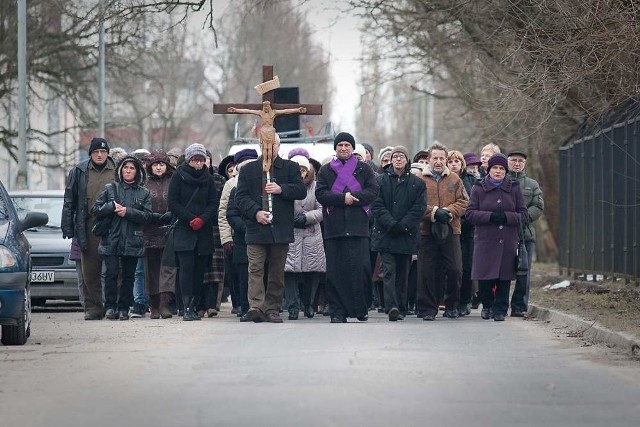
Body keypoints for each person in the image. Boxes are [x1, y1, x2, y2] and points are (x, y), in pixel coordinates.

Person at [235, 134, 306, 323]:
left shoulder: (290, 167)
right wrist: (256, 212)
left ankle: (272, 308)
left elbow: (301, 191)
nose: (269, 147)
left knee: (276, 271)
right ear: (259, 145)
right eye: (265, 143)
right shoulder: (248, 169)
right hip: (256, 228)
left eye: (272, 144)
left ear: (278, 146)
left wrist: (281, 189)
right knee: (255, 268)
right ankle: (256, 306)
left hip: (280, 229)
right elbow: (240, 198)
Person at [316, 132, 379, 323]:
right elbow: (321, 194)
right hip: (335, 229)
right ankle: (338, 311)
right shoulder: (326, 171)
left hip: (358, 227)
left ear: (352, 148)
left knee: (361, 270)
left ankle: (360, 309)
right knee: (336, 273)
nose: (344, 148)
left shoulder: (364, 170)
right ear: (335, 148)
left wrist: (354, 198)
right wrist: (343, 199)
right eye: (340, 145)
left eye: (347, 145)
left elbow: (372, 191)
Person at [466, 153, 527, 321]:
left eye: (501, 168)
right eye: (495, 168)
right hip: (485, 240)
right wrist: (490, 217)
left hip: (507, 239)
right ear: (489, 169)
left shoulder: (513, 187)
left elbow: (523, 214)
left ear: (505, 171)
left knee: (504, 277)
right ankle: (487, 305)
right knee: (485, 276)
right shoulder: (479, 187)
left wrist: (507, 217)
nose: (498, 171)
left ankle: (500, 309)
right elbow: (470, 214)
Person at [92, 155, 152, 320]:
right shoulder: (110, 188)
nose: (128, 171)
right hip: (111, 237)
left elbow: (147, 216)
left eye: (132, 168)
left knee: (128, 276)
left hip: (133, 239)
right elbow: (95, 209)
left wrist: (128, 212)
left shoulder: (144, 193)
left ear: (138, 172)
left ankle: (124, 308)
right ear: (120, 170)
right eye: (125, 167)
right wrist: (111, 206)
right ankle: (110, 307)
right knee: (110, 273)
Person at [62, 137, 116, 320]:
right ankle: (93, 308)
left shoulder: (118, 169)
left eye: (103, 151)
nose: (100, 155)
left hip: (113, 225)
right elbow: (69, 200)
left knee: (115, 270)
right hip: (88, 225)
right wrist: (68, 227)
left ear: (108, 153)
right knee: (90, 270)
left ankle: (112, 307)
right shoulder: (79, 171)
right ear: (91, 154)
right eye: (96, 152)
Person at [371, 146, 426, 321]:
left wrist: (403, 225)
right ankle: (392, 306)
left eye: (402, 156)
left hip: (407, 234)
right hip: (386, 233)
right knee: (388, 271)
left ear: (407, 160)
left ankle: (401, 306)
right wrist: (391, 224)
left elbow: (419, 208)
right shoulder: (380, 181)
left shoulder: (417, 183)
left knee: (403, 272)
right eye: (395, 156)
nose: (398, 159)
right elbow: (377, 206)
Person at [416, 142, 468, 321]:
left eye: (441, 158)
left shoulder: (455, 179)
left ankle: (452, 304)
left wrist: (448, 212)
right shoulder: (420, 180)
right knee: (427, 270)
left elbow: (464, 202)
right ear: (429, 160)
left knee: (455, 269)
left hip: (451, 230)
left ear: (446, 160)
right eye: (435, 158)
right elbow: (416, 205)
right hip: (426, 231)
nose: (438, 161)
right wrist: (434, 212)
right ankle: (428, 308)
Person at [168, 143, 220, 321]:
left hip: (203, 231)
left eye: (201, 159)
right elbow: (173, 203)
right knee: (186, 270)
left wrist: (203, 219)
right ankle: (186, 306)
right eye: (195, 159)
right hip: (185, 229)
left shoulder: (208, 178)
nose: (198, 163)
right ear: (189, 160)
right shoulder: (178, 176)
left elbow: (213, 203)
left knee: (199, 271)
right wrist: (190, 218)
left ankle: (195, 304)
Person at [283, 155, 326, 320]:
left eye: (303, 170)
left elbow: (322, 208)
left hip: (311, 234)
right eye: (297, 170)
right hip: (291, 233)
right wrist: (290, 219)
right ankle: (293, 307)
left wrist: (307, 217)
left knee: (312, 272)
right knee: (290, 272)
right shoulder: (287, 186)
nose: (301, 173)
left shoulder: (316, 187)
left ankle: (309, 304)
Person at [219, 149, 259, 316]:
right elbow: (225, 213)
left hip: (260, 236)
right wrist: (227, 238)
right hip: (241, 236)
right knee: (241, 274)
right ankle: (243, 306)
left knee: (258, 272)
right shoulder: (232, 185)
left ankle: (260, 305)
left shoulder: (262, 183)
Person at [507, 149, 544, 317]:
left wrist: (522, 217)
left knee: (524, 271)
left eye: (520, 161)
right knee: (502, 271)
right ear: (508, 162)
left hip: (525, 235)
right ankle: (498, 303)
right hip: (504, 234)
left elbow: (538, 206)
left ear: (524, 164)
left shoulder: (532, 184)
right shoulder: (501, 180)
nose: (517, 163)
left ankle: (519, 306)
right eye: (514, 160)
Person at [142, 150, 175, 319]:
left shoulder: (173, 180)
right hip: (149, 230)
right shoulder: (144, 182)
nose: (159, 167)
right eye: (155, 164)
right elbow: (139, 204)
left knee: (168, 269)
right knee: (151, 270)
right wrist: (149, 215)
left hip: (169, 230)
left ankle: (164, 304)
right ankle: (153, 305)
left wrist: (172, 213)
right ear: (150, 166)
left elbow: (178, 200)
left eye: (162, 164)